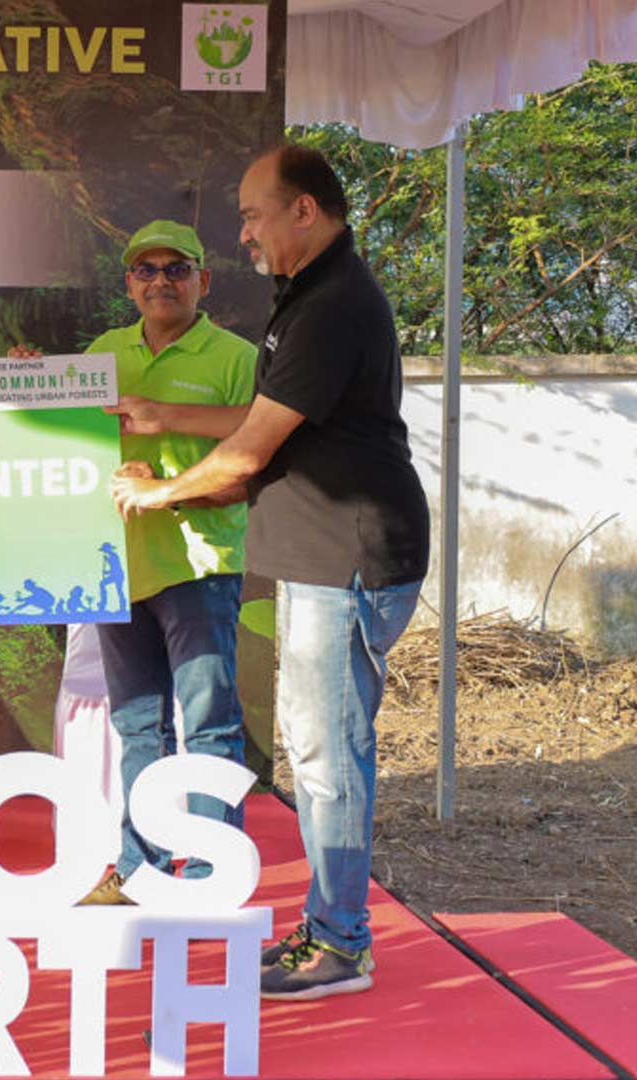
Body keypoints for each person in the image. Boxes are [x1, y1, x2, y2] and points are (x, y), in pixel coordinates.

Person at [109, 145, 430, 999]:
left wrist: (162, 492)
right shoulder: (311, 296)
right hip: (326, 557)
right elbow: (268, 411)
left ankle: (340, 945)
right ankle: (329, 931)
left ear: (305, 211)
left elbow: (250, 450)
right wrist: (164, 416)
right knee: (319, 748)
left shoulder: (331, 306)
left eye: (254, 214)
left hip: (349, 556)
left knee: (328, 757)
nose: (245, 232)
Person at [74, 220, 257, 907]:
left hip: (201, 562)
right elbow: (71, 440)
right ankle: (137, 869)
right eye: (145, 270)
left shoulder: (236, 356)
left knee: (208, 721)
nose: (160, 281)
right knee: (136, 725)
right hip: (118, 565)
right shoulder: (102, 352)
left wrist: (165, 441)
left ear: (203, 280)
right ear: (129, 285)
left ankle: (212, 876)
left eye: (175, 268)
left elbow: (252, 456)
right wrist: (33, 381)